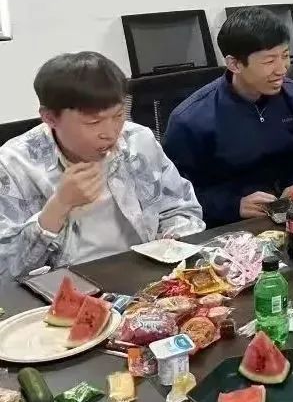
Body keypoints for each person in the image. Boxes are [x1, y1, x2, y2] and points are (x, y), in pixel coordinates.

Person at [0, 52, 204, 280]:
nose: (110, 133)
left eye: (118, 115)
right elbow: (6, 272)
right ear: (50, 118)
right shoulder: (12, 165)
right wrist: (59, 206)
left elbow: (181, 208)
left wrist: (173, 243)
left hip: (150, 275)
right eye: (93, 122)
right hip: (67, 287)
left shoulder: (137, 140)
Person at [164, 7, 293, 228]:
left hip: (287, 215)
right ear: (235, 64)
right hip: (227, 226)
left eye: (285, 56)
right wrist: (233, 205)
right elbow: (175, 198)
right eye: (269, 61)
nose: (282, 69)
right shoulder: (191, 119)